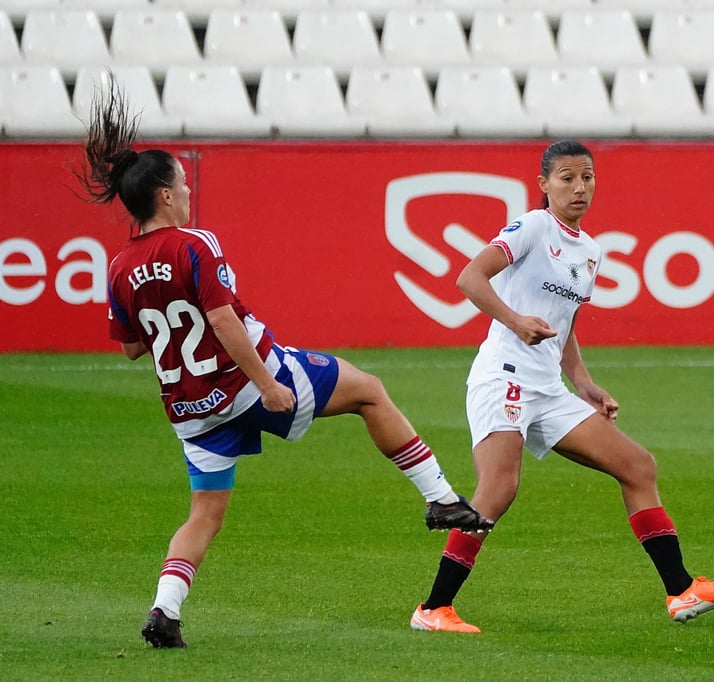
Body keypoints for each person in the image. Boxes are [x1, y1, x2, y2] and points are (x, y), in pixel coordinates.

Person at [78, 82, 494, 650]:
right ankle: (440, 495)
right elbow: (224, 321)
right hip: (246, 379)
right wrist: (267, 383)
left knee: (204, 513)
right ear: (163, 196)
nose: (187, 189)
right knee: (369, 391)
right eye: (181, 182)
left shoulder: (121, 265)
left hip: (190, 409)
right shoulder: (195, 243)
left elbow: (130, 348)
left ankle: (164, 610)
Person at [409, 140, 714, 633]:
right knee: (499, 489)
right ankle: (433, 609)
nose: (579, 187)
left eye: (587, 177)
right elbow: (469, 278)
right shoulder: (532, 226)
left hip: (548, 388)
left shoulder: (589, 251)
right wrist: (514, 320)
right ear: (544, 184)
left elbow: (564, 324)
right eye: (566, 178)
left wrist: (584, 382)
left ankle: (681, 590)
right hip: (503, 375)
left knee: (637, 466)